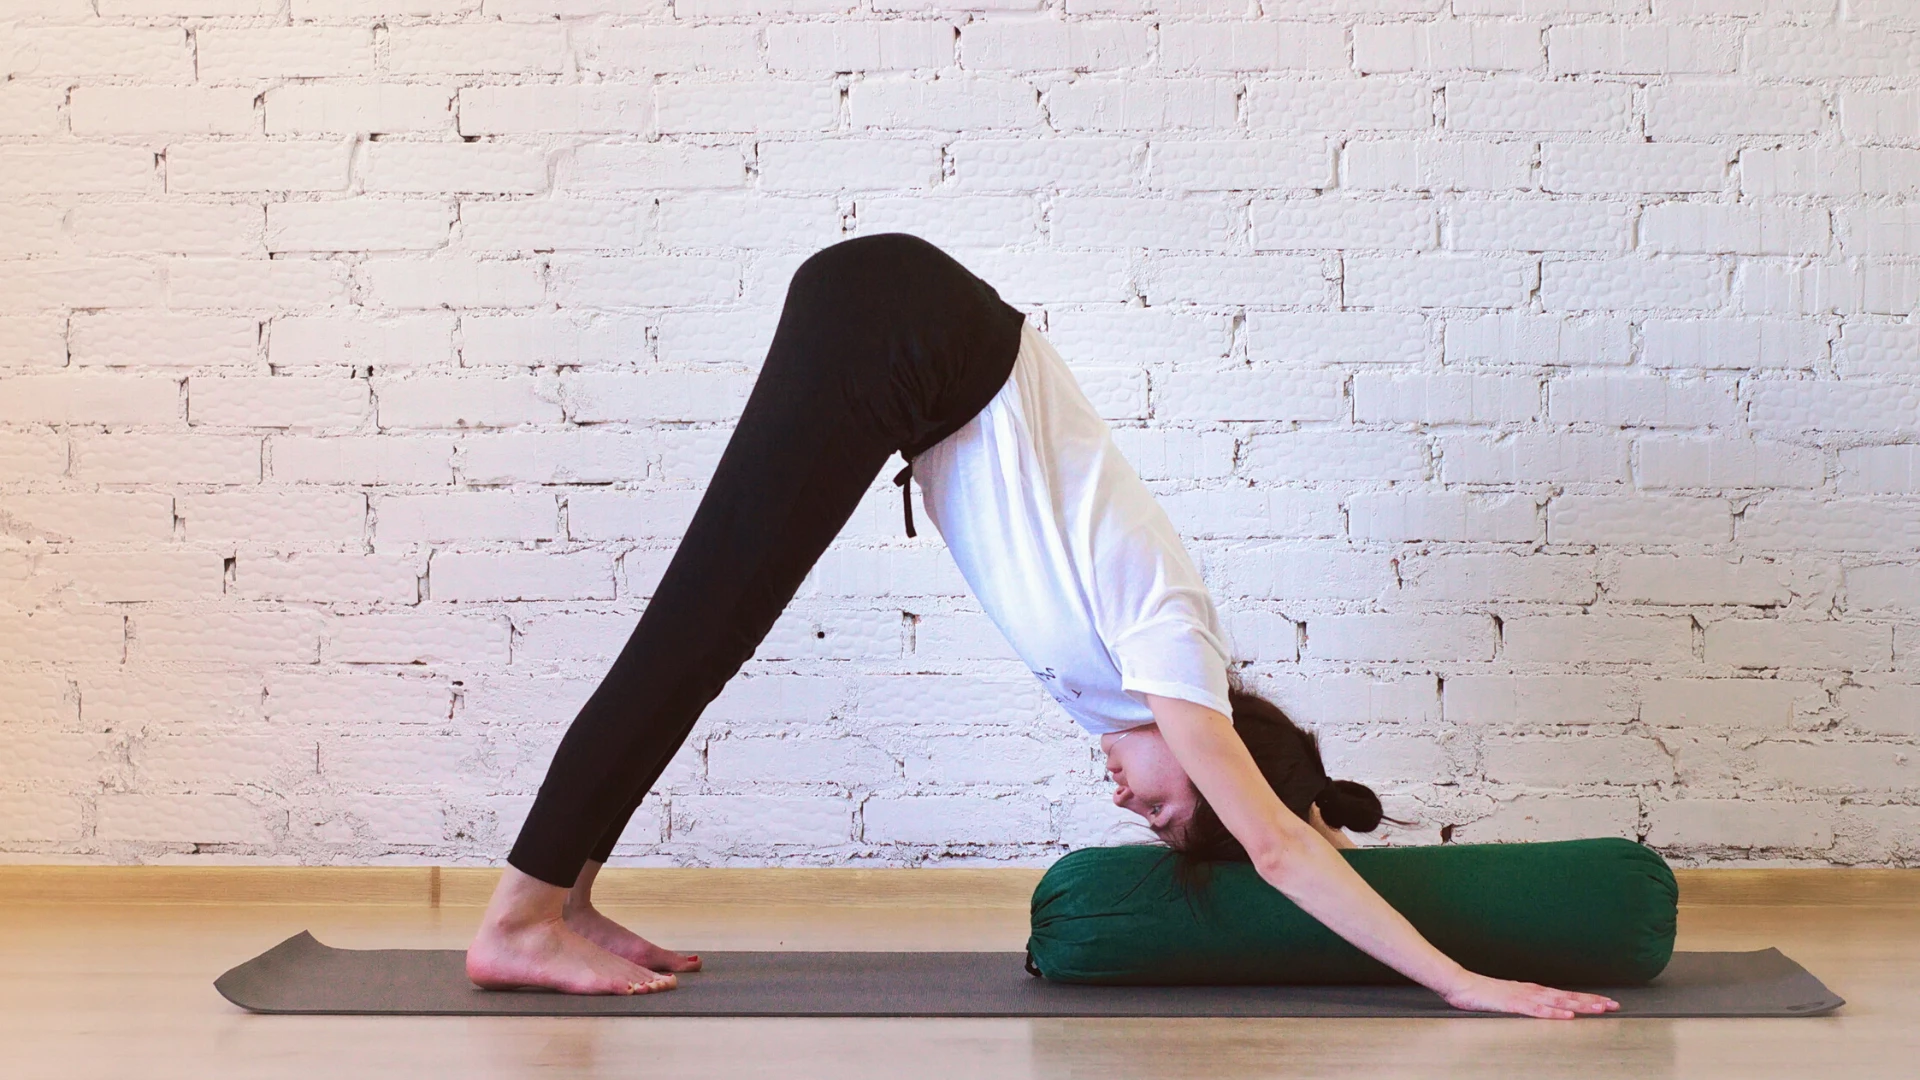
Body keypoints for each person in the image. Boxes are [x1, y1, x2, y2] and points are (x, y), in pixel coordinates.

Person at [464, 234, 1619, 1020]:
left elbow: (1286, 824)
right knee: (693, 634)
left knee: (703, 640)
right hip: (901, 326)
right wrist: (1460, 982)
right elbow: (1274, 846)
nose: (1133, 806)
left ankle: (563, 902)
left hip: (907, 338)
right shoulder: (1173, 651)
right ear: (1218, 762)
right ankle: (519, 920)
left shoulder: (1127, 687)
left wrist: (1307, 804)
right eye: (1173, 809)